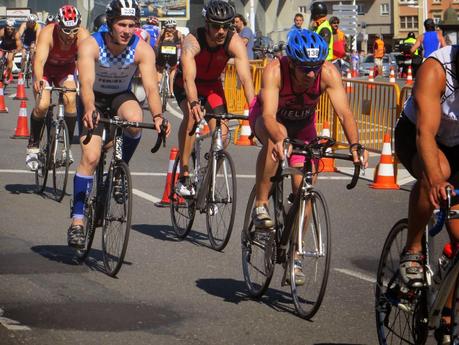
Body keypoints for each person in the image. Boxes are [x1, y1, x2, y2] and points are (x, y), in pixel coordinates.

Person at [248, 29, 367, 283]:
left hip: (303, 126)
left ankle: (295, 255)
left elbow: (344, 113)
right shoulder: (274, 70)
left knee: (306, 191)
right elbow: (268, 116)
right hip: (268, 118)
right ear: (291, 63)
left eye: (315, 67)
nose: (311, 74)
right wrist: (280, 138)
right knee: (273, 141)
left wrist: (356, 145)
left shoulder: (328, 73)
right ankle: (260, 206)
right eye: (304, 69)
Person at [69, 0, 170, 248]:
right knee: (91, 157)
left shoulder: (142, 49)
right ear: (110, 24)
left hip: (119, 96)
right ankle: (77, 220)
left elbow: (150, 89)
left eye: (132, 25)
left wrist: (158, 116)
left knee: (135, 120)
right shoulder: (92, 44)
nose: (127, 30)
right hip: (93, 98)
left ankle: (118, 171)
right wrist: (90, 108)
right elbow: (87, 84)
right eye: (122, 24)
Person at [394, 44, 459, 344]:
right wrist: (433, 180)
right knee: (437, 172)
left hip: (456, 146)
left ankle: (445, 315)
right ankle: (413, 249)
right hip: (416, 135)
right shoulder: (436, 70)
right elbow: (426, 135)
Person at [174, 0, 255, 196]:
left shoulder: (234, 41)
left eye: (226, 26)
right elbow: (188, 78)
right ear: (206, 24)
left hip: (211, 87)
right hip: (187, 85)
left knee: (224, 136)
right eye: (216, 26)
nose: (221, 31)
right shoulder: (193, 41)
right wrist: (193, 103)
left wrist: (254, 109)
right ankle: (183, 175)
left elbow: (245, 77)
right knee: (192, 116)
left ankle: (207, 179)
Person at [26, 5, 90, 171]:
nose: (71, 35)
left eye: (74, 30)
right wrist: (39, 79)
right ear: (59, 26)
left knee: (70, 99)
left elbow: (87, 62)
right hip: (46, 70)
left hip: (65, 70)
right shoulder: (48, 33)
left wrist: (85, 83)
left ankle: (66, 147)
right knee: (42, 104)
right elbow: (39, 61)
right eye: (67, 31)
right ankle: (33, 146)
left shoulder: (82, 35)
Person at [155, 18, 183, 97]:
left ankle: (158, 86)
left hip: (162, 52)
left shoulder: (162, 32)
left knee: (160, 69)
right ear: (175, 26)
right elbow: (183, 46)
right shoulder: (179, 33)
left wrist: (156, 54)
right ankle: (171, 91)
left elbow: (157, 44)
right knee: (172, 70)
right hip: (173, 53)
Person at [0, 19, 22, 83]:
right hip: (3, 47)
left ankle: (9, 75)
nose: (10, 30)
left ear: (14, 28)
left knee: (9, 60)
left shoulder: (16, 34)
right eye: (8, 28)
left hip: (12, 49)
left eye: (11, 29)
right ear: (5, 27)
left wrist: (15, 51)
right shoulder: (2, 31)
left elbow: (19, 46)